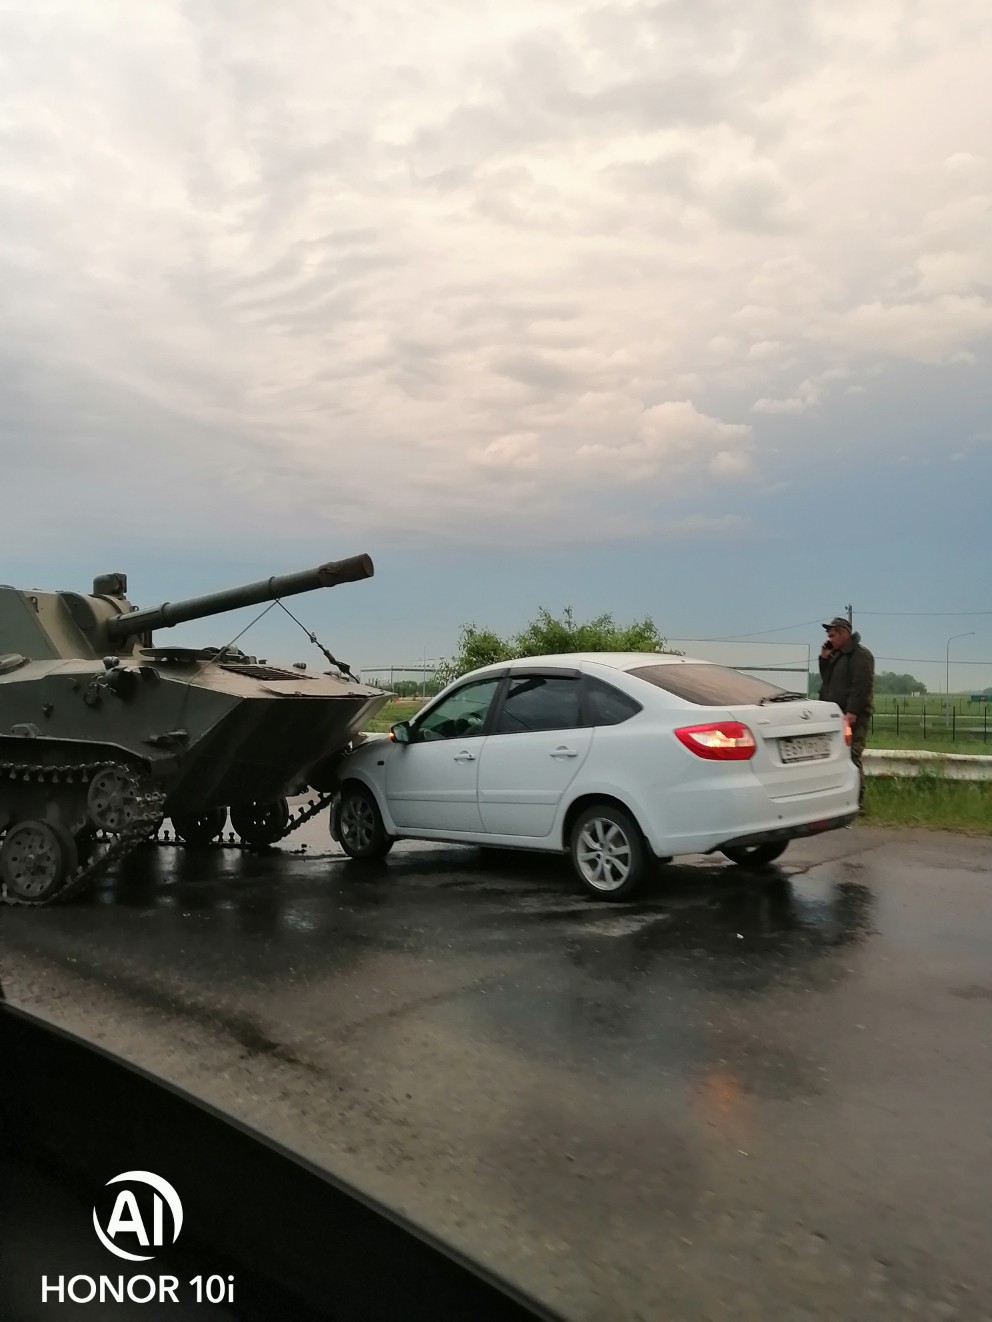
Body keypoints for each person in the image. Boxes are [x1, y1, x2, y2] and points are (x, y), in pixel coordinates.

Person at [818, 616, 874, 807]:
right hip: (835, 716)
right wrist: (824, 658)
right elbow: (827, 681)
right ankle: (840, 800)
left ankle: (858, 802)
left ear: (843, 633)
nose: (830, 639)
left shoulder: (859, 655)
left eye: (833, 635)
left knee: (852, 757)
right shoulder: (837, 655)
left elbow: (861, 685)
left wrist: (852, 712)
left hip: (852, 717)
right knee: (836, 758)